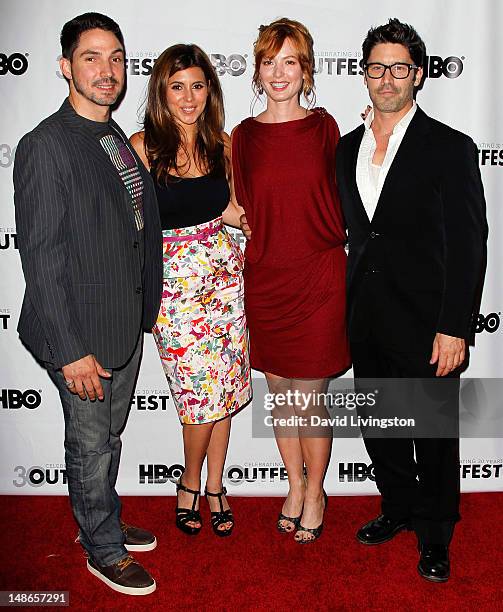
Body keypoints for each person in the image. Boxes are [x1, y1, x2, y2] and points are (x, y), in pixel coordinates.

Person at [13, 13, 162, 595]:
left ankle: (101, 517)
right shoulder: (45, 145)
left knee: (108, 437)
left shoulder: (114, 138)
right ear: (65, 67)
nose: (107, 70)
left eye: (117, 57)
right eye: (92, 57)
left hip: (121, 323)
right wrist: (71, 350)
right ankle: (102, 546)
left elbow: (133, 228)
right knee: (91, 440)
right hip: (77, 332)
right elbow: (42, 259)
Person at [336, 18, 487, 581]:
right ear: (365, 75)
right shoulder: (345, 148)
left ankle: (437, 533)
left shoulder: (449, 147)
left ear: (419, 75)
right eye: (376, 68)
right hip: (366, 319)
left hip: (427, 324)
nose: (386, 78)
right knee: (381, 428)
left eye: (399, 67)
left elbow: (470, 244)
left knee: (433, 436)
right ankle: (398, 508)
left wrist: (456, 327)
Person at [232, 18, 350, 543]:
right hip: (266, 279)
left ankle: (316, 489)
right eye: (269, 62)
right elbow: (236, 206)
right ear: (257, 71)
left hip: (319, 278)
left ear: (306, 71)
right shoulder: (242, 136)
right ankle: (293, 486)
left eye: (290, 62)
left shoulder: (327, 129)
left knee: (311, 397)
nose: (279, 73)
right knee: (282, 397)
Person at [130, 44, 251, 537]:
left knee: (225, 391)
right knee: (200, 396)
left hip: (225, 279)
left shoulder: (222, 144)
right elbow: (127, 222)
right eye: (177, 86)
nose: (188, 97)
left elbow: (233, 211)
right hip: (175, 289)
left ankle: (216, 485)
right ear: (162, 91)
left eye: (198, 85)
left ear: (210, 91)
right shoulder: (141, 146)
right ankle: (188, 483)